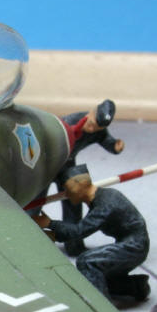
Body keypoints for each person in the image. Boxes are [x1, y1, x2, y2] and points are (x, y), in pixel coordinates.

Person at [33, 165, 150, 302]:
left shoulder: (105, 204)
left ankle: (102, 305)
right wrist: (52, 231)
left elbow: (78, 231)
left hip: (135, 246)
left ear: (80, 184)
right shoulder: (101, 198)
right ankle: (136, 286)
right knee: (98, 276)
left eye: (67, 188)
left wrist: (49, 224)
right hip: (131, 242)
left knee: (88, 262)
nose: (66, 194)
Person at [51, 99, 124, 256]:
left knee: (76, 200)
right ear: (91, 112)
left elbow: (105, 139)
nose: (92, 129)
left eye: (97, 128)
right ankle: (27, 240)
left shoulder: (98, 130)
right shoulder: (68, 122)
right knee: (35, 201)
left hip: (68, 165)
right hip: (48, 163)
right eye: (91, 124)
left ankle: (73, 244)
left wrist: (115, 146)